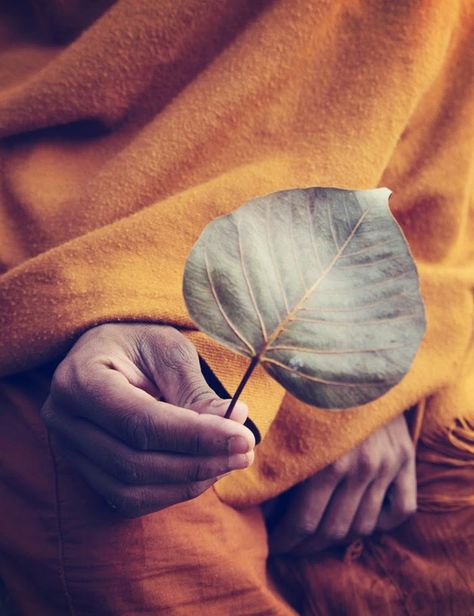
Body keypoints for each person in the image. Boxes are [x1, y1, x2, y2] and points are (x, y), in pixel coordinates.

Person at [0, 1, 472, 614]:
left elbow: (447, 95)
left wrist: (370, 362)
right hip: (98, 338)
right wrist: (102, 295)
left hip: (424, 337)